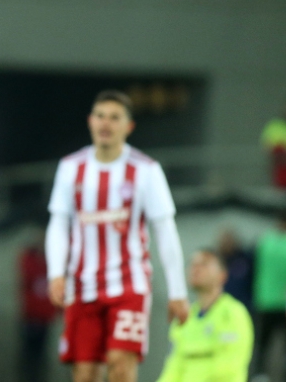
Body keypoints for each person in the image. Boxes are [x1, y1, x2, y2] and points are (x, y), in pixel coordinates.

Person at [45, 90, 189, 382]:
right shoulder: (71, 167)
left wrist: (177, 292)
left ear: (128, 126)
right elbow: (58, 223)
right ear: (90, 121)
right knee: (84, 373)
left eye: (114, 117)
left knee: (120, 365)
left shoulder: (146, 170)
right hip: (82, 286)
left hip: (129, 285)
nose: (106, 123)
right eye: (100, 116)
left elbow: (165, 230)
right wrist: (56, 273)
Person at [157, 248, 253, 382]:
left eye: (204, 264)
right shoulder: (184, 317)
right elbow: (174, 366)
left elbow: (229, 367)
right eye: (193, 264)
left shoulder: (234, 313)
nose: (196, 268)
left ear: (222, 275)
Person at [252, 210, 286, 381]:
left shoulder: (265, 241)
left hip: (265, 301)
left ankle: (259, 376)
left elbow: (253, 268)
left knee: (262, 345)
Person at [18, 227, 58, 382]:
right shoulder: (30, 259)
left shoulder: (52, 262)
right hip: (31, 316)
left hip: (46, 318)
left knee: (42, 355)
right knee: (29, 354)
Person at [217, 227, 253, 312]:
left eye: (229, 240)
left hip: (245, 305)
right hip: (223, 307)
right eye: (225, 242)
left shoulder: (245, 259)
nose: (227, 244)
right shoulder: (217, 261)